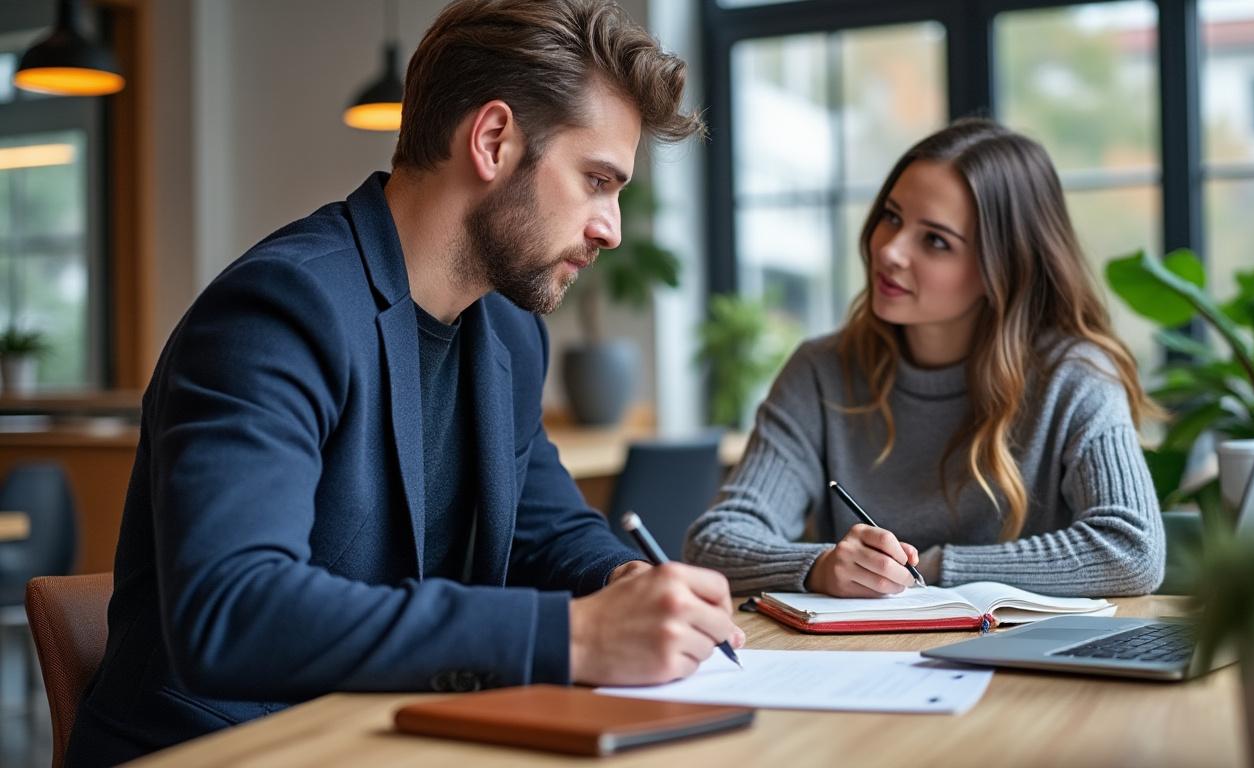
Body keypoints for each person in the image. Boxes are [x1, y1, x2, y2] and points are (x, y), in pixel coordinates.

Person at [67, 1, 743, 762]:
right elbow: (234, 608)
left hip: (389, 740)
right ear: (492, 141)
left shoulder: (509, 333)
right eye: (595, 180)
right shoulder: (280, 309)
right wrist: (571, 635)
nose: (611, 228)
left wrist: (624, 581)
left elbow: (545, 527)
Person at [684, 118, 1165, 599]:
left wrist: (933, 568)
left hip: (1021, 664)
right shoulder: (821, 372)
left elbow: (1132, 551)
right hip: (865, 665)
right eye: (892, 216)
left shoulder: (1075, 376)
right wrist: (821, 565)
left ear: (1004, 268)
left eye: (935, 241)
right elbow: (714, 543)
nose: (889, 250)